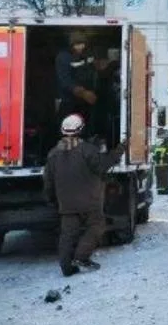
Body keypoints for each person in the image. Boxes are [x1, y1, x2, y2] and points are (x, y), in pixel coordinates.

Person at [43, 114, 123, 277]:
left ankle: (66, 267)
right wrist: (118, 152)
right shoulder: (87, 150)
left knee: (67, 234)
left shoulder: (53, 154)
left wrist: (51, 199)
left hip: (66, 204)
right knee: (97, 226)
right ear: (81, 130)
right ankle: (81, 257)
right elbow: (102, 167)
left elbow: (48, 180)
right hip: (90, 202)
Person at [55, 32, 97, 136]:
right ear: (71, 45)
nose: (81, 46)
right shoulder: (63, 57)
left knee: (85, 130)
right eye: (77, 44)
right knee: (68, 130)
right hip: (68, 102)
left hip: (85, 103)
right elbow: (65, 80)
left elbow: (93, 71)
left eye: (83, 43)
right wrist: (83, 93)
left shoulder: (87, 55)